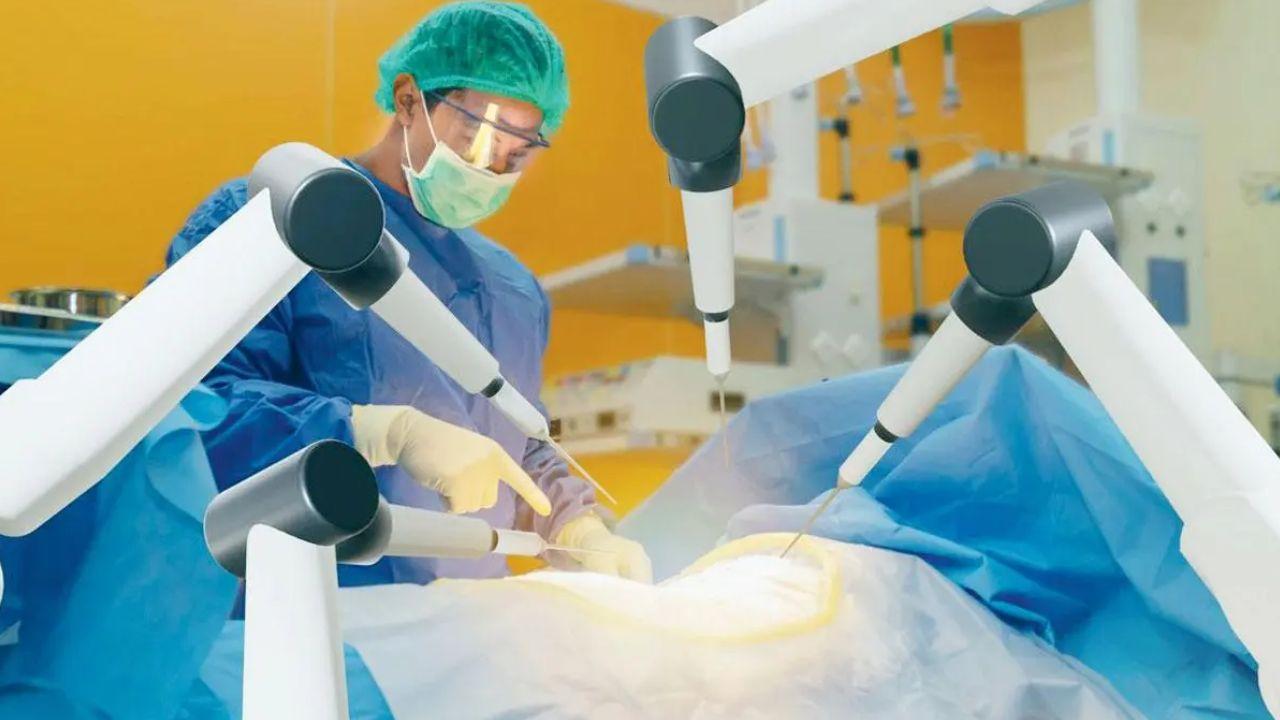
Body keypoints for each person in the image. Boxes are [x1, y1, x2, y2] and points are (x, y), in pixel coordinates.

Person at [166, 1, 650, 585]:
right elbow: (194, 411)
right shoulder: (285, 218)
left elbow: (520, 449)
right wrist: (377, 433)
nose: (493, 170)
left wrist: (576, 525)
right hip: (304, 607)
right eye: (481, 137)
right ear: (408, 101)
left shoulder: (514, 289)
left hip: (460, 618)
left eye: (517, 153)